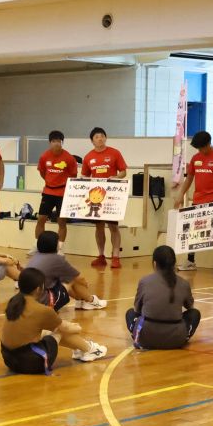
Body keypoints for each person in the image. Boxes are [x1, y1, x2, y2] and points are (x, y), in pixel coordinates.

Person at [2, 268, 107, 374]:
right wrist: (76, 327)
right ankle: (90, 349)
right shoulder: (42, 310)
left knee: (48, 331)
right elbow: (66, 329)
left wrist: (68, 326)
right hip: (30, 363)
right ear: (39, 289)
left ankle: (82, 349)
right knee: (60, 331)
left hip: (8, 359)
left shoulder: (14, 301)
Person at [173, 131, 213, 276]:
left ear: (208, 144)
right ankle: (190, 261)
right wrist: (180, 194)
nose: (200, 151)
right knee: (192, 231)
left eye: (202, 148)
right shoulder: (196, 158)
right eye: (198, 149)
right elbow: (189, 179)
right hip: (198, 200)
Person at [126, 245, 201, 350]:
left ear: (154, 264)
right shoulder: (184, 283)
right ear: (174, 263)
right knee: (194, 314)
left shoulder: (144, 281)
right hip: (176, 339)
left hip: (145, 338)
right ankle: (185, 336)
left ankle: (138, 335)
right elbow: (190, 307)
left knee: (130, 313)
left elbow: (137, 309)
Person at [81, 127, 128, 269]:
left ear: (105, 138)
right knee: (99, 226)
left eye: (102, 136)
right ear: (92, 141)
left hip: (112, 196)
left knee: (113, 226)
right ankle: (101, 255)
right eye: (96, 137)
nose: (99, 139)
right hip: (96, 196)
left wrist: (116, 177)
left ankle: (115, 256)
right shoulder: (88, 157)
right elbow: (84, 176)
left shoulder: (114, 153)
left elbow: (123, 172)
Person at [25, 231, 106, 311]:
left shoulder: (35, 256)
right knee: (73, 279)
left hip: (29, 302)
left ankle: (81, 301)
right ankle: (92, 301)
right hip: (45, 302)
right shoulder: (56, 259)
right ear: (54, 245)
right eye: (58, 242)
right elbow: (79, 278)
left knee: (65, 278)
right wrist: (84, 283)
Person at [35, 130, 78, 250]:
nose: (56, 143)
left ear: (62, 142)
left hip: (63, 193)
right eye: (54, 141)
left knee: (61, 222)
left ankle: (59, 248)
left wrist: (61, 184)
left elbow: (73, 175)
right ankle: (38, 246)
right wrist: (50, 182)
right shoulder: (44, 156)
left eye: (59, 141)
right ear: (50, 143)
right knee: (41, 219)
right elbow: (43, 172)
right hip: (48, 192)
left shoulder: (69, 158)